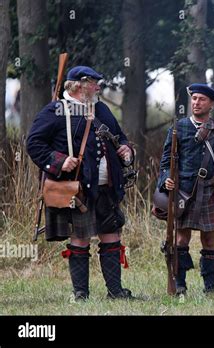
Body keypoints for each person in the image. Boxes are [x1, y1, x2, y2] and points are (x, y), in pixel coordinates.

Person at [27, 66, 134, 300]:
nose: (98, 87)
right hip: (78, 189)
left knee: (111, 236)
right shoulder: (56, 110)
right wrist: (59, 161)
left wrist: (126, 150)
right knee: (80, 238)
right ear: (78, 85)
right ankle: (81, 294)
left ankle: (115, 292)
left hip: (107, 187)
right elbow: (34, 143)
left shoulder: (101, 109)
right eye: (93, 83)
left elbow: (120, 137)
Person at [157, 83, 214, 295]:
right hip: (184, 192)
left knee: (209, 239)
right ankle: (180, 285)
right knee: (181, 239)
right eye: (193, 99)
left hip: (211, 189)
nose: (196, 103)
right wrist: (166, 179)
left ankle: (210, 287)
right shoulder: (179, 127)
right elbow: (165, 161)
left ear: (211, 104)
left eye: (201, 99)